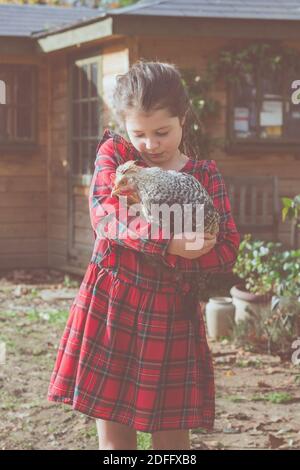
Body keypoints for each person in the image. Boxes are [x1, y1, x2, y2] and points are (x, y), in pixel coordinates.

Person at [47, 60, 240, 450]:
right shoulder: (115, 157)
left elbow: (227, 246)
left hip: (171, 313)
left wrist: (197, 249)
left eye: (162, 132)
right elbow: (106, 216)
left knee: (171, 443)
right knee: (116, 443)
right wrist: (168, 243)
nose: (151, 144)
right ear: (125, 127)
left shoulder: (204, 175)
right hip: (111, 306)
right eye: (140, 133)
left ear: (183, 119)